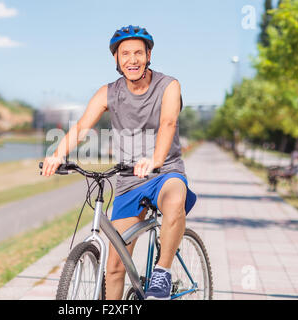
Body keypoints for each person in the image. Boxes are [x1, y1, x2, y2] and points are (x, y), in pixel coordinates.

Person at [41, 25, 196, 300]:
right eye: (125, 54)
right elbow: (80, 128)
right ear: (116, 59)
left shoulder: (168, 85)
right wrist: (57, 154)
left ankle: (162, 271)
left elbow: (168, 122)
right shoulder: (108, 92)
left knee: (174, 199)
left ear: (149, 55)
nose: (132, 59)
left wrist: (155, 160)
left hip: (165, 173)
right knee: (114, 267)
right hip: (128, 182)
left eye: (138, 52)